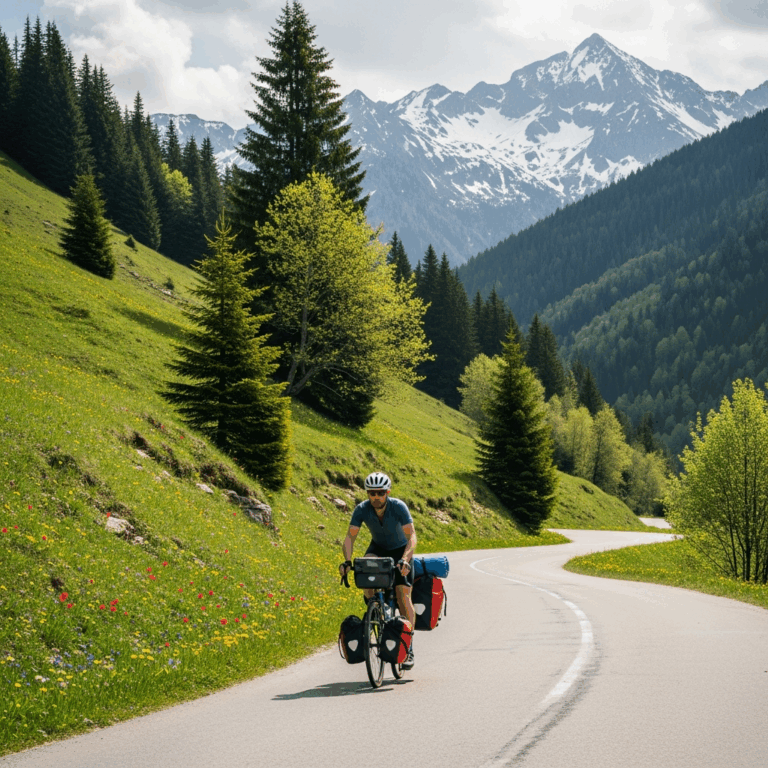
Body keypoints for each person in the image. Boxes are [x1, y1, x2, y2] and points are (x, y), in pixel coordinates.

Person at [339, 471, 417, 669]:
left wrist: (406, 560)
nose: (376, 497)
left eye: (380, 493)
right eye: (372, 493)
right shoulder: (362, 509)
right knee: (364, 571)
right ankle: (376, 610)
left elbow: (412, 537)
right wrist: (347, 561)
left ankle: (408, 647)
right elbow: (350, 537)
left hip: (400, 551)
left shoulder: (398, 507)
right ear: (367, 493)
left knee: (403, 595)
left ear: (387, 492)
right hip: (378, 549)